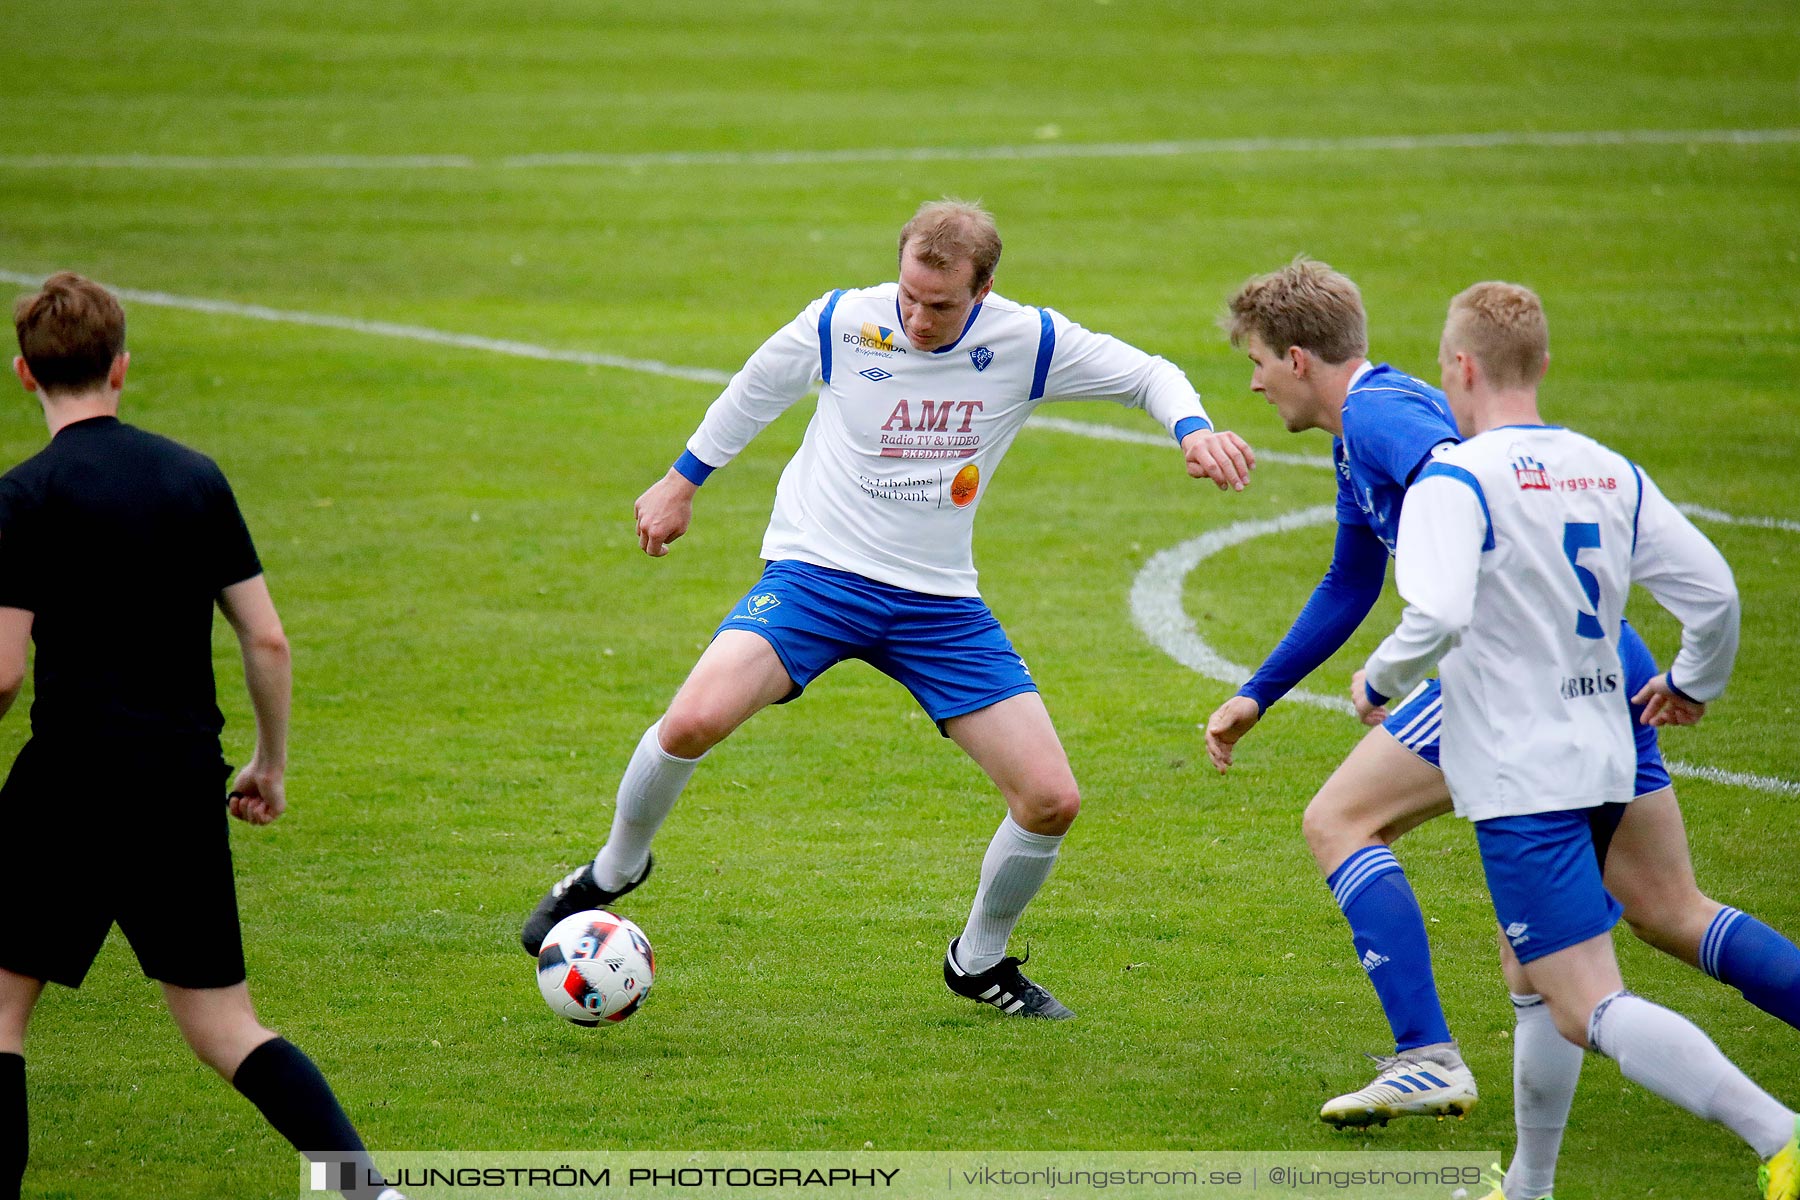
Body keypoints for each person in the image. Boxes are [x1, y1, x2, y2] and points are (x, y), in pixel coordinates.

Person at [522, 200, 1256, 1017]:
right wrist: (681, 481)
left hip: (938, 604)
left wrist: (1192, 429)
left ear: (983, 290)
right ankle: (615, 870)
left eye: (939, 305)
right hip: (818, 575)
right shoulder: (844, 320)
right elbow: (758, 385)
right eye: (908, 295)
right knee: (692, 720)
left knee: (1052, 800)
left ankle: (977, 963)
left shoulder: (1027, 341)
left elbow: (1146, 370)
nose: (917, 317)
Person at [1203, 258, 1800, 1133]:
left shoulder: (1380, 415)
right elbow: (1348, 579)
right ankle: (1527, 1177)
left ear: (1297, 358)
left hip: (1515, 664)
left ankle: (1425, 1057)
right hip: (1604, 659)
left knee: (1339, 821)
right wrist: (1260, 693)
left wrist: (1394, 672)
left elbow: (1468, 485)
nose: (1252, 382)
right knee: (1669, 911)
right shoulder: (1359, 430)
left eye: (1256, 361)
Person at [1354, 280, 1796, 1200]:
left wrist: (1380, 679)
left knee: (1585, 1001)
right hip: (1607, 754)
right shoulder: (1606, 466)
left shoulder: (1456, 478)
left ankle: (1780, 1134)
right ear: (1543, 365)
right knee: (1532, 971)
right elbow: (1713, 593)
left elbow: (1435, 608)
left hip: (1524, 777)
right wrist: (1689, 683)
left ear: (1460, 369)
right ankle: (1529, 1184)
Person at [0, 274, 401, 1200]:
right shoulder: (192, 478)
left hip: (66, 780)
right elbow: (266, 636)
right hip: (178, 778)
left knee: (2, 1015)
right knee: (227, 1031)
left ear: (25, 375)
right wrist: (269, 762)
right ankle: (365, 1189)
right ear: (122, 367)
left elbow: (5, 670)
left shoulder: (25, 495)